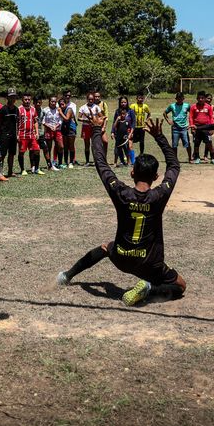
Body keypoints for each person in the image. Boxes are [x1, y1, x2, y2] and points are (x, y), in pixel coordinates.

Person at [58, 115, 186, 306]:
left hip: (122, 257)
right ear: (157, 176)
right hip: (150, 264)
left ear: (132, 173)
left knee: (106, 247)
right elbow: (174, 165)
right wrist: (159, 137)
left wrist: (95, 130)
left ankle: (66, 276)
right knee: (180, 285)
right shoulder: (159, 195)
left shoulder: (121, 193)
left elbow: (101, 163)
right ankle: (150, 289)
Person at [0, 88, 20, 181]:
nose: (12, 98)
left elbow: (17, 123)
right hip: (4, 135)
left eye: (14, 97)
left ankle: (10, 171)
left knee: (12, 154)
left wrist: (17, 134)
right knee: (2, 154)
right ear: (7, 98)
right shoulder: (3, 110)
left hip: (13, 135)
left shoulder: (17, 110)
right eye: (10, 97)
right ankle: (0, 173)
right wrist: (0, 134)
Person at [17, 92, 43, 175]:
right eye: (25, 99)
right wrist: (17, 134)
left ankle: (37, 168)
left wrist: (37, 132)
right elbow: (16, 122)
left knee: (37, 150)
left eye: (29, 99)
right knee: (21, 152)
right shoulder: (19, 109)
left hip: (32, 135)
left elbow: (35, 121)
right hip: (22, 134)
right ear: (22, 100)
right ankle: (22, 170)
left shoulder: (33, 109)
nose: (27, 101)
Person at [163, 92, 192, 163]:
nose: (180, 100)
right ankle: (175, 159)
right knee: (174, 144)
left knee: (187, 143)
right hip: (175, 128)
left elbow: (192, 113)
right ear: (176, 99)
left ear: (183, 98)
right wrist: (168, 121)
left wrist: (190, 124)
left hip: (184, 128)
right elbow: (164, 113)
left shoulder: (187, 106)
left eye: (181, 98)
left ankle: (190, 158)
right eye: (178, 98)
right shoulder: (172, 106)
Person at [190, 90, 214, 164]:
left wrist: (212, 128)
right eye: (199, 98)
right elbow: (191, 117)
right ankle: (197, 158)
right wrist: (192, 127)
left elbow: (211, 117)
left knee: (209, 143)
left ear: (204, 98)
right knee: (196, 144)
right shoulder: (193, 107)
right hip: (197, 127)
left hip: (206, 127)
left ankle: (213, 158)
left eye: (202, 98)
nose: (200, 99)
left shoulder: (208, 107)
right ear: (197, 98)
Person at [77, 92, 100, 166]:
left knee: (94, 144)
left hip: (94, 127)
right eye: (89, 99)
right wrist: (85, 120)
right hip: (86, 127)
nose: (91, 101)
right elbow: (78, 118)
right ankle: (87, 161)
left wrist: (96, 120)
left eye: (92, 99)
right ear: (87, 99)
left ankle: (95, 161)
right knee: (87, 144)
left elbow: (101, 116)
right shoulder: (83, 107)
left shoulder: (96, 107)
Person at [42, 95, 63, 171]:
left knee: (60, 146)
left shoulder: (58, 110)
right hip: (48, 130)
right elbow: (43, 121)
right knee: (49, 148)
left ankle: (59, 163)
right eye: (52, 101)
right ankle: (49, 164)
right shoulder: (45, 110)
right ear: (49, 102)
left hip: (57, 130)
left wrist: (56, 126)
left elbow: (61, 120)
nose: (53, 103)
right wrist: (50, 127)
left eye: (55, 101)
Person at [112, 96, 135, 167]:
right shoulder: (117, 111)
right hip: (118, 134)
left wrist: (131, 133)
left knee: (129, 147)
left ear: (127, 102)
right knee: (118, 148)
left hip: (128, 133)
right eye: (122, 102)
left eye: (125, 102)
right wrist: (112, 132)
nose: (123, 103)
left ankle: (132, 162)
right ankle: (121, 161)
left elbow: (133, 122)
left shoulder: (131, 111)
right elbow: (114, 123)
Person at [59, 95, 78, 168]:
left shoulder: (69, 109)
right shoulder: (61, 109)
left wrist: (60, 113)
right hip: (64, 129)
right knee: (65, 146)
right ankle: (66, 162)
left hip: (71, 129)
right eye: (60, 104)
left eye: (63, 104)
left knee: (71, 146)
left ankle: (71, 162)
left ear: (66, 104)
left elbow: (66, 119)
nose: (62, 105)